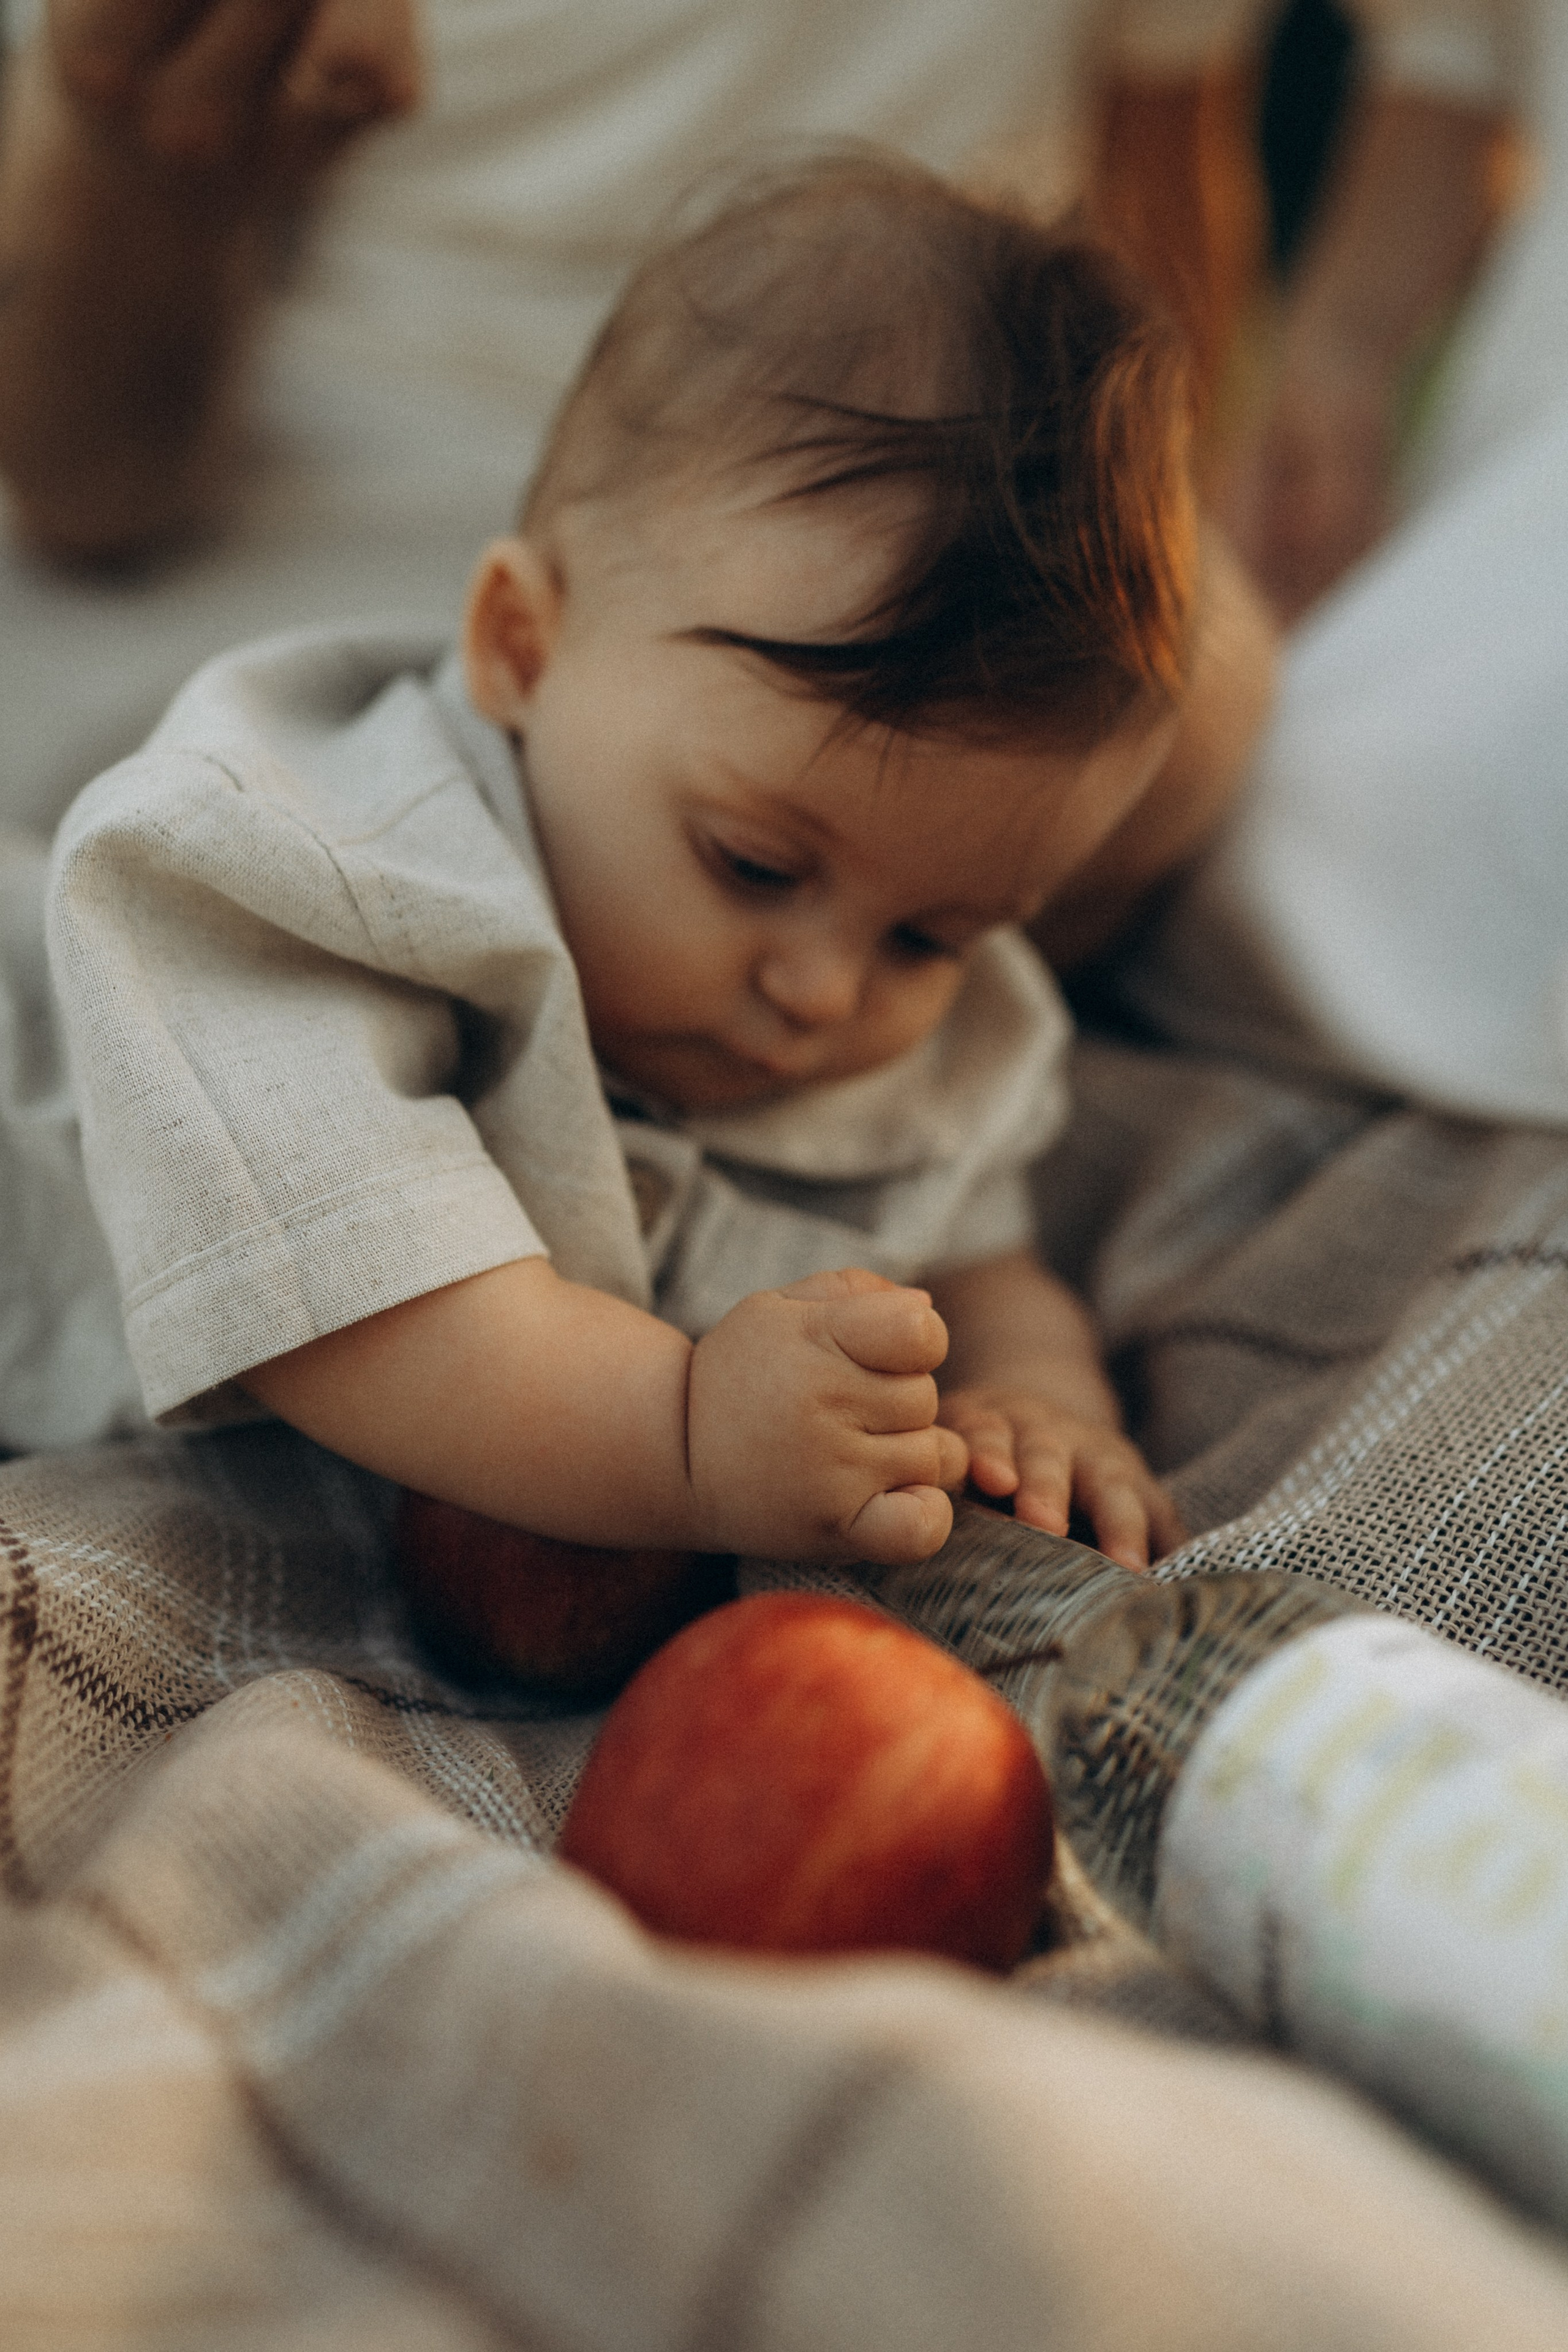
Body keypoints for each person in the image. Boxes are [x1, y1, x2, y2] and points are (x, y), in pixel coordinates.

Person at [40, 157, 1275, 1584]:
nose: (820, 992)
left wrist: (1041, 1404)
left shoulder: (925, 1015)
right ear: (522, 646)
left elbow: (976, 1261)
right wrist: (685, 1436)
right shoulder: (304, 876)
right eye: (753, 866)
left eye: (928, 941)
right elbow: (353, 1297)